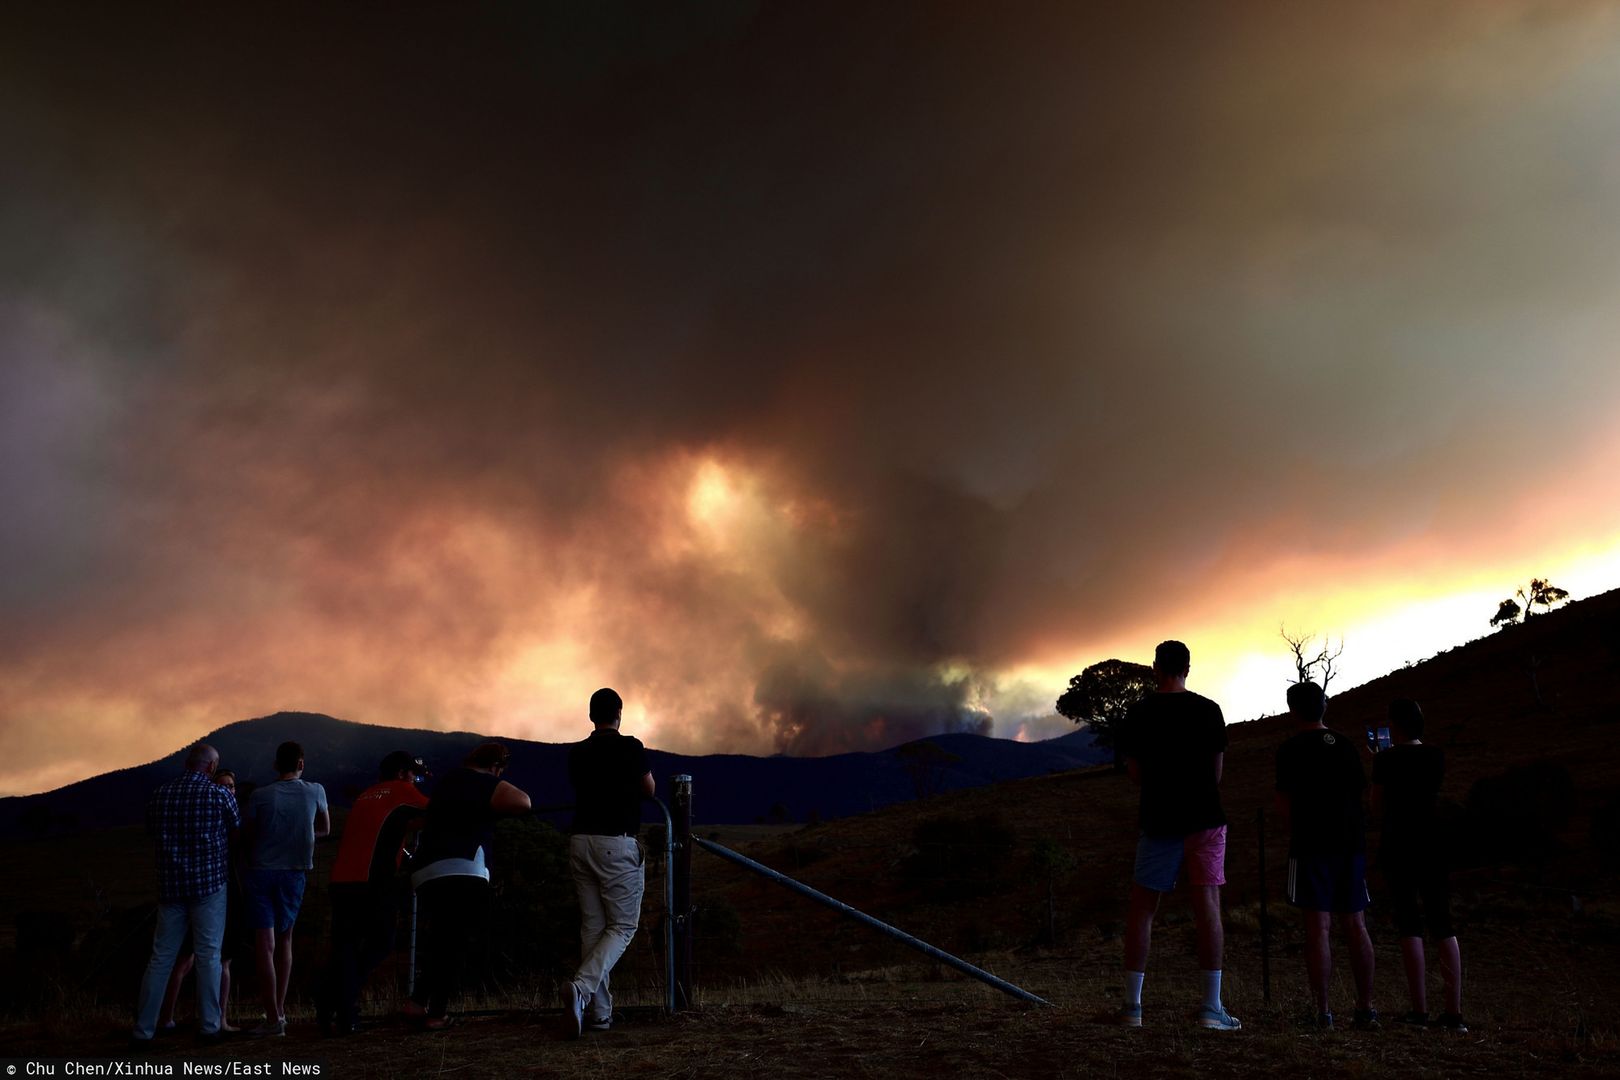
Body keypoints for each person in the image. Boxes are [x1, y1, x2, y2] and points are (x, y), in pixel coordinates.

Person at [1112, 641, 1239, 1031]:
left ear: (1155, 668)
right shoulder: (1209, 710)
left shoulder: (1139, 713)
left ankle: (1133, 1007)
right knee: (1207, 907)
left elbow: (1134, 774)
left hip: (1159, 819)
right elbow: (1216, 775)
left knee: (1143, 909)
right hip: (1204, 819)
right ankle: (1211, 1007)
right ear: (1188, 667)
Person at [405, 742, 530, 1030]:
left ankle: (417, 1002)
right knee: (456, 942)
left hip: (426, 869)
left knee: (441, 938)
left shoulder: (448, 782)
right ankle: (436, 1013)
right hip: (463, 867)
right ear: (496, 767)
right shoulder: (482, 782)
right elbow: (523, 802)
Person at [1275, 680, 1377, 1030]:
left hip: (1311, 845)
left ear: (1293, 709)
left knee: (1317, 927)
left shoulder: (1289, 750)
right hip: (1350, 843)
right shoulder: (1346, 745)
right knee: (1355, 923)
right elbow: (1362, 794)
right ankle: (1365, 1008)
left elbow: (1284, 803)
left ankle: (1323, 1012)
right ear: (1324, 705)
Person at [131, 743, 240, 1049]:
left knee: (161, 958)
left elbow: (151, 832)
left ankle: (143, 1030)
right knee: (209, 956)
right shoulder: (218, 795)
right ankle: (208, 1027)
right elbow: (235, 831)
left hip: (170, 887)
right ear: (211, 768)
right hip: (209, 886)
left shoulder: (160, 795)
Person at [563, 688, 655, 1038]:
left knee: (593, 928)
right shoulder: (631, 747)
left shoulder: (577, 753)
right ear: (619, 713)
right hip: (615, 844)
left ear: (591, 716)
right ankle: (582, 989)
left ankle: (598, 1014)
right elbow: (649, 789)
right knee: (623, 927)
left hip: (579, 841)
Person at [318, 751, 431, 1035]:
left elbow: (381, 829)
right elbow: (437, 810)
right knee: (382, 942)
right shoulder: (402, 790)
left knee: (345, 947)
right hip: (371, 880)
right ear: (404, 774)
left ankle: (334, 1010)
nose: (416, 781)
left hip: (341, 879)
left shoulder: (367, 795)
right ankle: (338, 1003)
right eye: (415, 776)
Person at [1372, 698, 1467, 1032]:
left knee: (1409, 923)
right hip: (1434, 841)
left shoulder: (1385, 760)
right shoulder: (1436, 756)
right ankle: (1454, 1012)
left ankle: (1419, 1009)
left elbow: (1376, 803)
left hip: (1399, 843)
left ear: (1394, 726)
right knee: (1443, 922)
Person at [243, 741, 330, 1037]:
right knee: (285, 942)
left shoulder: (260, 796)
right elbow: (325, 829)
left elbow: (249, 833)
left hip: (261, 871)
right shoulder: (315, 791)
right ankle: (279, 1011)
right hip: (294, 872)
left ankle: (272, 1018)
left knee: (264, 946)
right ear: (301, 764)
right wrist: (303, 834)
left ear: (275, 765)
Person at [157, 768, 247, 1034]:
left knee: (222, 961)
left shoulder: (231, 824)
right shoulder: (215, 827)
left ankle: (219, 1019)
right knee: (185, 959)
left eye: (231, 786)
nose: (228, 791)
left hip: (226, 894)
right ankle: (167, 1018)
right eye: (223, 786)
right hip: (205, 892)